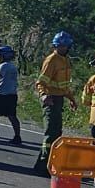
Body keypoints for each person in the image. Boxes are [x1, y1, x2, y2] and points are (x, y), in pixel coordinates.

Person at [33, 31, 77, 177]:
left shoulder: (66, 60)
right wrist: (44, 95)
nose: (63, 48)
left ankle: (45, 164)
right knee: (50, 133)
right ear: (56, 46)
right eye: (60, 46)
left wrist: (71, 99)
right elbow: (41, 82)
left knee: (57, 133)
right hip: (50, 99)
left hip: (59, 99)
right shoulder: (51, 60)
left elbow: (64, 85)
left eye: (65, 46)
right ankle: (43, 165)